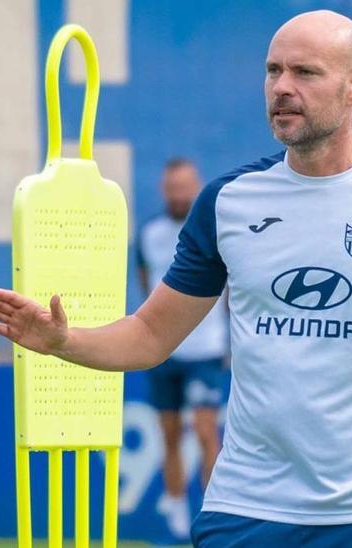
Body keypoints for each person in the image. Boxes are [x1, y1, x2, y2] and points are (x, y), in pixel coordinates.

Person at [0, 10, 352, 546]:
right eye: (273, 70)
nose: (282, 87)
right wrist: (63, 341)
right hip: (243, 511)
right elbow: (149, 336)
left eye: (304, 73)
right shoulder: (227, 202)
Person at [135, 158, 230, 540]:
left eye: (184, 187)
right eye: (172, 188)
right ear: (164, 190)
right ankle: (176, 506)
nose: (178, 194)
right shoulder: (150, 233)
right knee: (169, 434)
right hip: (165, 352)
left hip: (206, 350)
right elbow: (146, 281)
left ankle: (213, 512)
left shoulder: (214, 229)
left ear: (197, 186)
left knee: (207, 431)